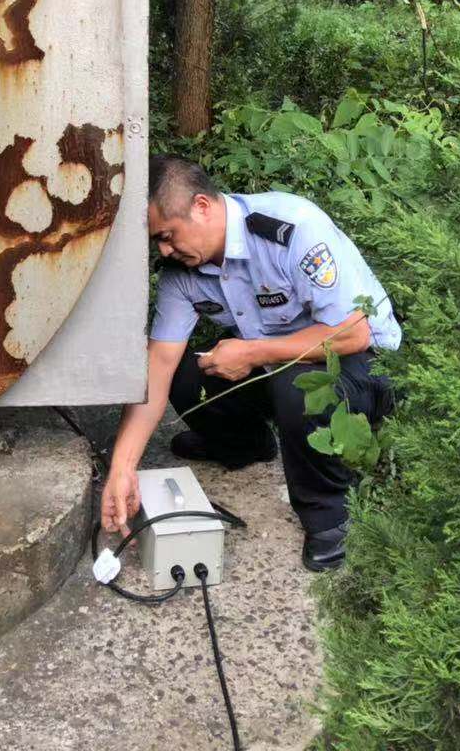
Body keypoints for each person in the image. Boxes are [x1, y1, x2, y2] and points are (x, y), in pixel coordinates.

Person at [100, 155, 401, 571]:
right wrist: (122, 468)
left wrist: (254, 352)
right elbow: (159, 364)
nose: (165, 250)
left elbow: (353, 333)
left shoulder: (291, 228)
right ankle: (245, 444)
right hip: (280, 363)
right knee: (187, 375)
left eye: (167, 236)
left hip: (361, 364)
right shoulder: (181, 272)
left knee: (298, 386)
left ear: (201, 206)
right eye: (157, 242)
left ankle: (331, 516)